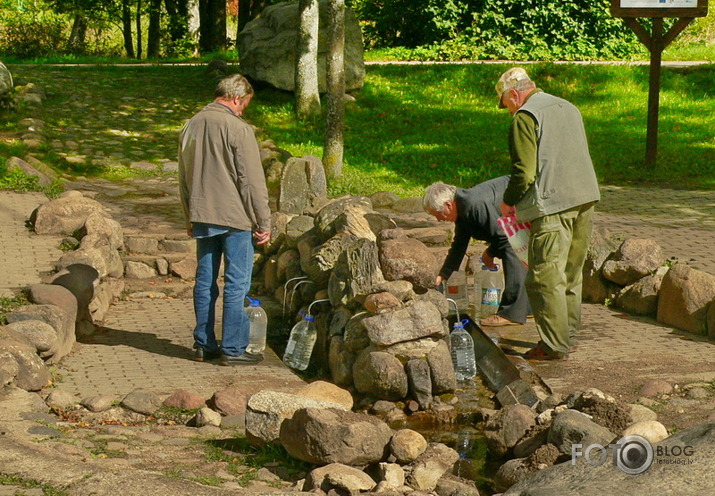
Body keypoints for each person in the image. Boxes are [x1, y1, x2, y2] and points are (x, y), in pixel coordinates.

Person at [496, 67, 600, 360]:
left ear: (514, 94)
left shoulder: (526, 117)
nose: (508, 111)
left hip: (554, 204)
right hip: (586, 197)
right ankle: (569, 336)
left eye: (507, 104)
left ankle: (554, 346)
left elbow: (524, 172)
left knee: (544, 277)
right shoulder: (568, 107)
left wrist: (509, 201)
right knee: (570, 272)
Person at [178, 73, 271, 366]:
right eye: (244, 104)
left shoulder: (190, 124)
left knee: (205, 282)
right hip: (235, 218)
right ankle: (233, 348)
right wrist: (264, 221)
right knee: (236, 284)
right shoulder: (238, 128)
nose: (243, 109)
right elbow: (251, 181)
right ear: (236, 97)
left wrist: (189, 213)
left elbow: (183, 176)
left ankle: (204, 344)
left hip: (202, 213)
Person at [423, 177, 531, 327]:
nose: (438, 219)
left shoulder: (474, 205)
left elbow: (504, 237)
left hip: (527, 203)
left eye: (437, 214)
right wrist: (443, 275)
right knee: (511, 249)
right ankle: (527, 308)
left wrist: (489, 254)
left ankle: (511, 313)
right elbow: (459, 245)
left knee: (511, 252)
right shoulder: (463, 207)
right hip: (514, 218)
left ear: (448, 205)